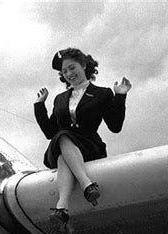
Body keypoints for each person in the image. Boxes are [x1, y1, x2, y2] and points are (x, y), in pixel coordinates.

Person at [34, 47, 132, 223]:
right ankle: (76, 194)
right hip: (66, 145)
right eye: (64, 71)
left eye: (72, 68)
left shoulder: (103, 93)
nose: (68, 73)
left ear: (84, 65)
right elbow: (50, 133)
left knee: (63, 142)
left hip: (89, 146)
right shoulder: (59, 99)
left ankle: (67, 201)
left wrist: (120, 96)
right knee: (62, 143)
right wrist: (39, 105)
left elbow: (115, 126)